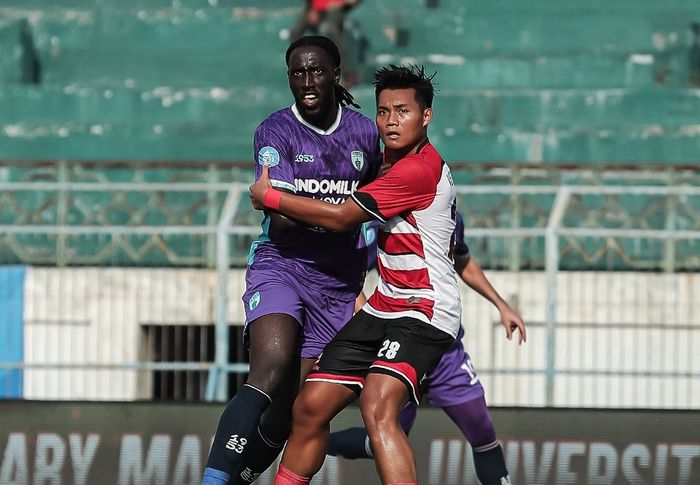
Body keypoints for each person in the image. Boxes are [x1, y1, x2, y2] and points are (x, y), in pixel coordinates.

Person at [250, 64, 497, 485]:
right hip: (386, 306)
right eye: (383, 112)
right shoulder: (386, 162)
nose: (391, 121)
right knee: (309, 406)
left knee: (378, 405)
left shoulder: (416, 170)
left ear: (427, 116)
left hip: (425, 309)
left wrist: (273, 196)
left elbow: (343, 216)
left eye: (403, 111)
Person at [201, 35, 381, 485]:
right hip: (281, 267)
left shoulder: (365, 134)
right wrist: (340, 218)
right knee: (270, 369)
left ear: (336, 74)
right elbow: (280, 221)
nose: (306, 81)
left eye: (316, 70)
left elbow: (380, 206)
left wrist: (364, 256)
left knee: (291, 413)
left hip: (338, 287)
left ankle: (239, 478)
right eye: (296, 73)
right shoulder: (275, 132)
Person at [328, 213, 525, 485]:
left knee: (482, 433)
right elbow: (351, 277)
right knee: (384, 437)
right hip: (402, 346)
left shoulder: (449, 213)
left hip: (445, 353)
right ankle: (319, 441)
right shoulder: (379, 221)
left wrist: (501, 304)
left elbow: (462, 259)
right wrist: (369, 324)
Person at [288, 0, 361, 87]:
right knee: (295, 33)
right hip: (315, 6)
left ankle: (346, 74)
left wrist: (342, 3)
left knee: (329, 30)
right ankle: (300, 69)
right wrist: (312, 8)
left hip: (334, 7)